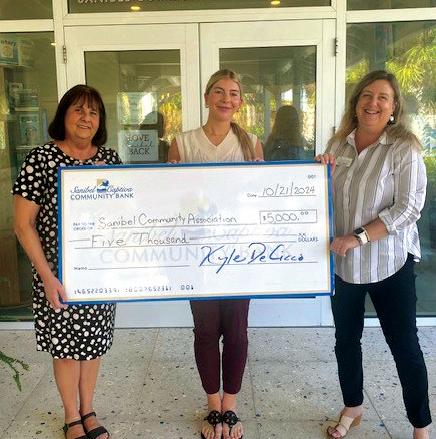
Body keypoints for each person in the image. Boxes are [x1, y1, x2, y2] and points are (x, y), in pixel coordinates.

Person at [316, 70, 431, 439]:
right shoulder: (338, 145)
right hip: (344, 265)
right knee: (346, 341)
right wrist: (315, 176)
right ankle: (353, 406)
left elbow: (409, 208)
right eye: (367, 95)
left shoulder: (404, 148)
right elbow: (323, 198)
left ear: (394, 107)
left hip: (389, 263)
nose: (373, 103)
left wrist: (359, 237)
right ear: (356, 103)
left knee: (404, 346)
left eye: (383, 97)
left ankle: (421, 426)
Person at [13, 85, 122, 439]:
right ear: (64, 115)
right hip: (57, 276)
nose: (86, 118)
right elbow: (23, 224)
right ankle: (71, 416)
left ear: (100, 121)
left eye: (93, 112)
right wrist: (47, 277)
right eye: (78, 110)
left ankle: (88, 409)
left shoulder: (110, 159)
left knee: (93, 345)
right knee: (65, 348)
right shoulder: (41, 159)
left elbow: (124, 214)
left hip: (98, 274)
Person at [168, 69, 263, 439]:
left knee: (236, 333)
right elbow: (169, 200)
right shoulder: (183, 142)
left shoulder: (251, 143)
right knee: (206, 331)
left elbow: (259, 199)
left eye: (233, 93)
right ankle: (213, 406)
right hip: (197, 254)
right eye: (219, 92)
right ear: (207, 97)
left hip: (239, 253)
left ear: (240, 101)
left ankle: (231, 407)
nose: (226, 99)